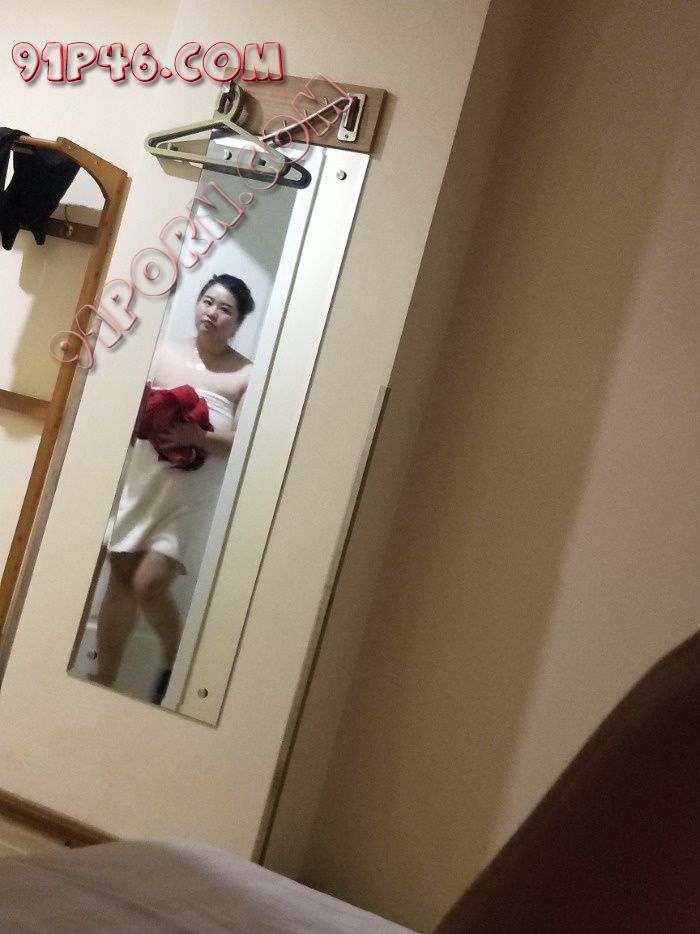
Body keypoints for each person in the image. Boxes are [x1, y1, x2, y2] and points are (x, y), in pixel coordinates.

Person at [89, 274, 254, 702]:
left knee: (149, 582)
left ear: (238, 322)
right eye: (207, 301)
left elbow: (244, 442)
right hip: (144, 477)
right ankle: (103, 678)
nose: (212, 313)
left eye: (225, 309)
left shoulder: (245, 374)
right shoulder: (162, 352)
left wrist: (198, 437)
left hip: (190, 496)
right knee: (120, 574)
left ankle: (174, 658)